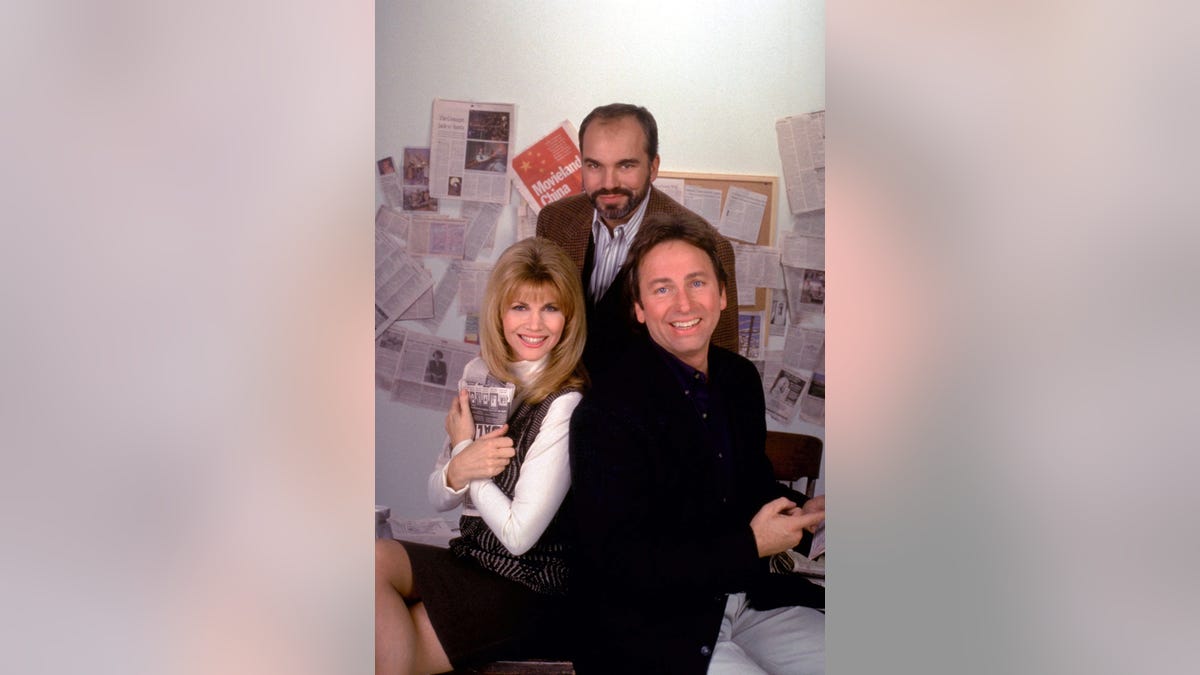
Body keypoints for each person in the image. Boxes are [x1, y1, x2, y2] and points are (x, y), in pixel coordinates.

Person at [569, 212, 826, 674]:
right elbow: (620, 564)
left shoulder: (738, 378)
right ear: (639, 307)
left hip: (746, 599)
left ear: (723, 295)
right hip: (656, 629)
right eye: (662, 288)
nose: (683, 304)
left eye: (697, 283)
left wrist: (809, 515)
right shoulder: (603, 411)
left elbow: (749, 489)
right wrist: (750, 545)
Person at [376, 238, 589, 675]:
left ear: (568, 318)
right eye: (520, 308)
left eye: (550, 308)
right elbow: (440, 496)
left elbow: (518, 537)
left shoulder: (567, 403)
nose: (535, 324)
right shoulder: (478, 373)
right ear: (498, 312)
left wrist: (464, 452)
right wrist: (459, 465)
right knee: (369, 560)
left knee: (392, 646)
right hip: (472, 557)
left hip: (529, 584)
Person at [536, 103, 740, 371]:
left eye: (626, 165)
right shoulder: (554, 220)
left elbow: (720, 367)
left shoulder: (708, 247)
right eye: (595, 165)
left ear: (653, 167)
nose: (609, 182)